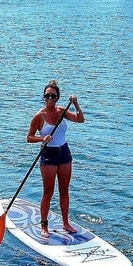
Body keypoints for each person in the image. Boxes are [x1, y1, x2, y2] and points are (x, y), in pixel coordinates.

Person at [26, 79, 85, 238]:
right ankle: (44, 226)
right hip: (48, 155)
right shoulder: (39, 116)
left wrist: (76, 105)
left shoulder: (61, 111)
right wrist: (42, 139)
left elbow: (80, 120)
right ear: (43, 97)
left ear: (58, 98)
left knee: (64, 190)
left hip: (64, 153)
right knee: (48, 192)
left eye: (53, 96)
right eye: (47, 96)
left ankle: (65, 223)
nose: (50, 99)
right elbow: (29, 137)